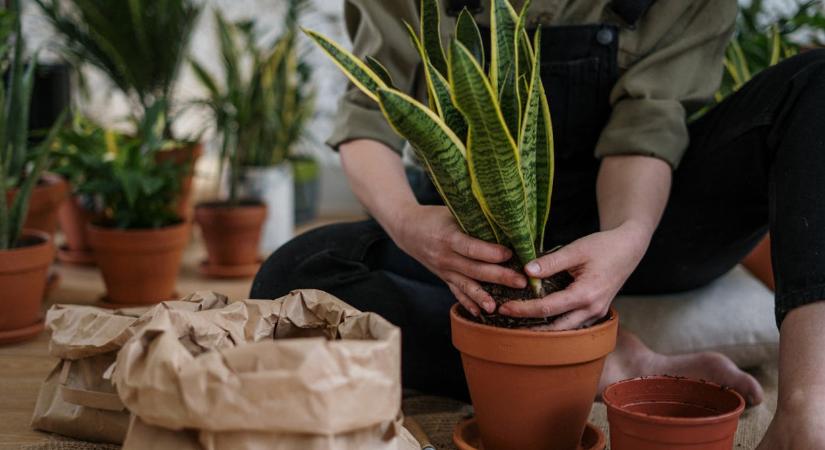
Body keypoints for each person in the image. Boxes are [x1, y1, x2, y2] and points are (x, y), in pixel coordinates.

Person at [252, 1, 825, 447]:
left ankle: (809, 409)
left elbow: (646, 128)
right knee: (294, 275)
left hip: (647, 220)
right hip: (480, 243)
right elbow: (370, 115)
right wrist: (409, 225)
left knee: (815, 84)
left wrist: (626, 237)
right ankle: (606, 361)